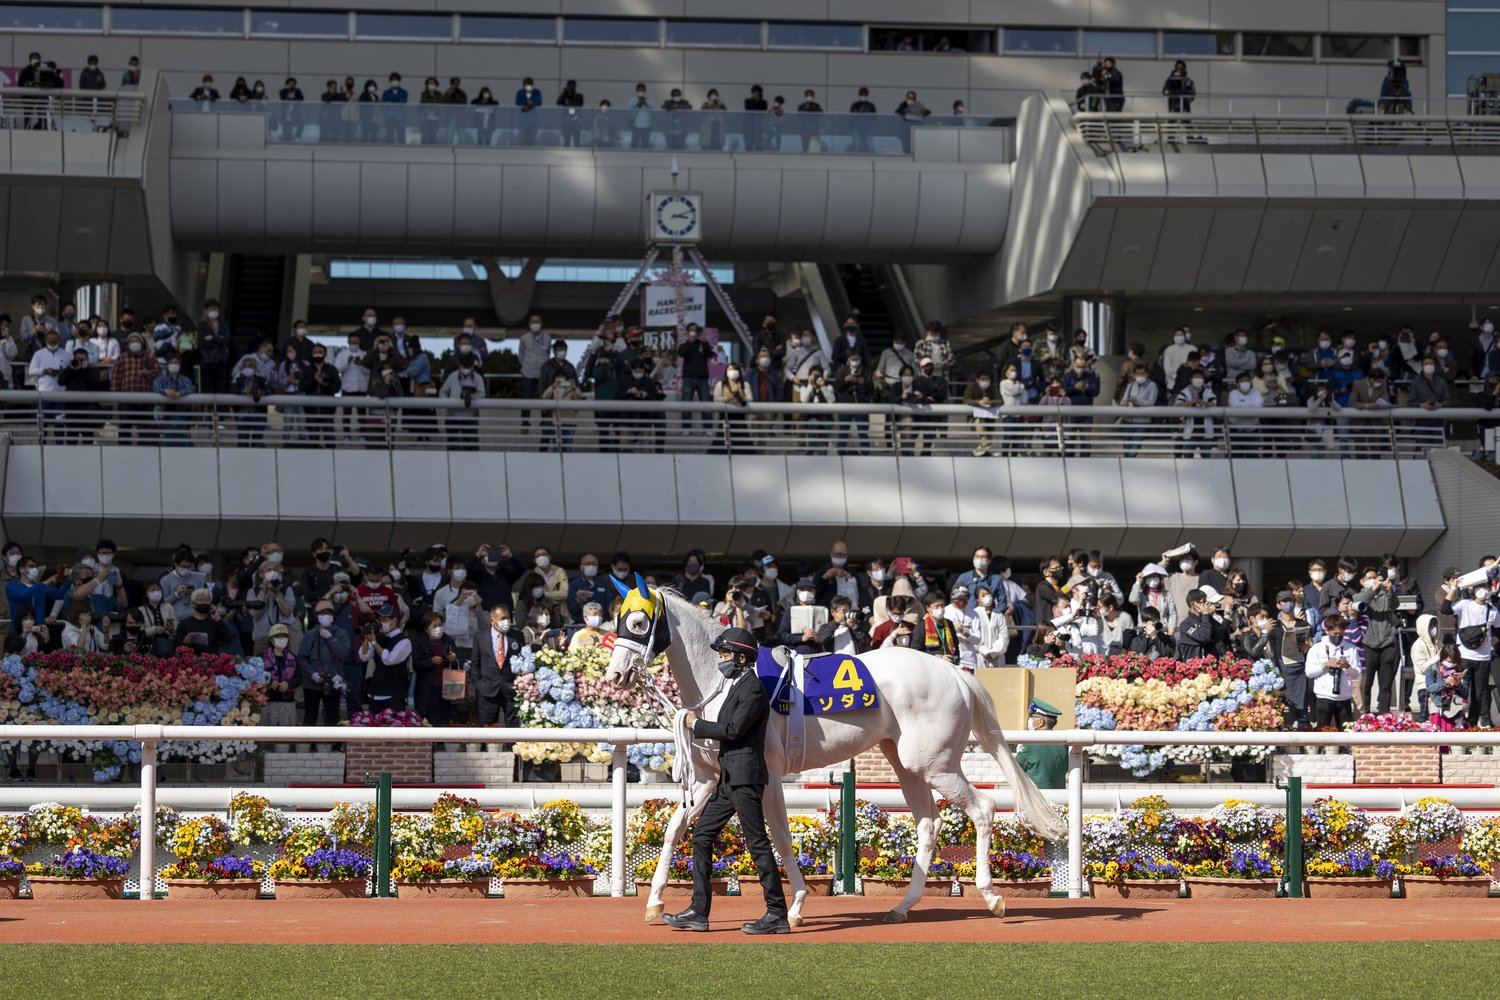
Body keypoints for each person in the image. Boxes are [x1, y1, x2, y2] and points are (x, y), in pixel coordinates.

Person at [665, 627, 789, 935]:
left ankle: (776, 913)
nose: (721, 661)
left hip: (745, 779)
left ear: (742, 658)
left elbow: (732, 730)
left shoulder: (752, 689)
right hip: (729, 777)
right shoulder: (737, 685)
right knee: (701, 837)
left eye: (725, 655)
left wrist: (695, 724)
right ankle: (698, 910)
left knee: (757, 843)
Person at [1442, 575, 1498, 729]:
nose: (1484, 591)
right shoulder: (1464, 604)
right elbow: (1445, 609)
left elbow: (1498, 629)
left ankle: (1472, 724)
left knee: (1479, 693)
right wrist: (1454, 589)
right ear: (1473, 588)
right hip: (1464, 656)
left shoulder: (1492, 610)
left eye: (1486, 587)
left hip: (1484, 657)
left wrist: (1492, 644)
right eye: (1480, 587)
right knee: (1461, 691)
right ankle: (1457, 722)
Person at [1305, 614, 1363, 730]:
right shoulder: (1317, 648)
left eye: (1341, 634)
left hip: (1344, 697)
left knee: (1346, 733)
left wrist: (1347, 666)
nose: (1338, 637)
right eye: (1335, 634)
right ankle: (1322, 749)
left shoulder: (1351, 648)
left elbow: (1357, 674)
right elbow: (1309, 673)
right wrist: (1325, 665)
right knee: (1322, 732)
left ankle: (1344, 749)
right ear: (1326, 630)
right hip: (1324, 697)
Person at [1014, 699, 1067, 789]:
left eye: (1032, 717)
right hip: (1060, 798)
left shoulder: (1029, 744)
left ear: (1040, 722)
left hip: (1037, 798)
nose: (1029, 720)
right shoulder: (1064, 744)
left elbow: (1015, 769)